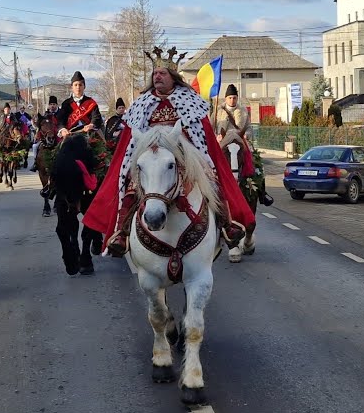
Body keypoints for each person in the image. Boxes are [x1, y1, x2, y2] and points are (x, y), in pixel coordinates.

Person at [82, 46, 255, 257]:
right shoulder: (142, 103)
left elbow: (202, 135)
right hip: (150, 151)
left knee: (211, 176)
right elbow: (131, 137)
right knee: (130, 181)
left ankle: (227, 225)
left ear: (173, 77)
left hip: (184, 152)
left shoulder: (190, 101)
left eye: (162, 73)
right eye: (155, 74)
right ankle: (122, 231)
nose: (157, 77)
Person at [50, 130, 104, 275]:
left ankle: (77, 251)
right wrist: (63, 128)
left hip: (85, 132)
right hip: (69, 133)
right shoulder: (66, 107)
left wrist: (91, 127)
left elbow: (95, 118)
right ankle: (82, 255)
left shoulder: (92, 108)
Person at [215, 85, 274, 206]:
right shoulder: (218, 111)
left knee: (257, 163)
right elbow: (210, 129)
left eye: (234, 98)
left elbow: (249, 128)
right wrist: (216, 136)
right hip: (222, 143)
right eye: (230, 98)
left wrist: (246, 134)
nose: (232, 100)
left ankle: (262, 193)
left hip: (240, 142)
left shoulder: (243, 111)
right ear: (225, 99)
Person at [55, 72, 104, 138]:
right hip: (70, 134)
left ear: (84, 87)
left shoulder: (91, 102)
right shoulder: (66, 104)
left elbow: (96, 117)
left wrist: (91, 125)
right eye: (76, 85)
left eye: (80, 85)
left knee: (104, 146)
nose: (78, 87)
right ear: (72, 87)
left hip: (89, 134)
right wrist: (63, 129)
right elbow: (61, 120)